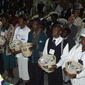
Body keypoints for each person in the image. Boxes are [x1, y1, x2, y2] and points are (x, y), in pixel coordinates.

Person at [28, 19, 47, 85]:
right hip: (31, 57)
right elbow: (28, 43)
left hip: (39, 58)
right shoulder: (30, 33)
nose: (33, 26)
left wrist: (36, 46)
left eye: (35, 24)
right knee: (31, 74)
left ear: (39, 25)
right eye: (32, 24)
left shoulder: (43, 35)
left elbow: (44, 47)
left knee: (39, 76)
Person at [13, 16, 30, 85]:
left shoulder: (28, 30)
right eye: (18, 21)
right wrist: (13, 48)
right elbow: (14, 39)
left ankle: (26, 81)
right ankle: (20, 78)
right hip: (17, 50)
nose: (19, 23)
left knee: (25, 67)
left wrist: (19, 50)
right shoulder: (17, 29)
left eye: (20, 21)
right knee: (19, 65)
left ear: (25, 22)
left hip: (25, 51)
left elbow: (27, 44)